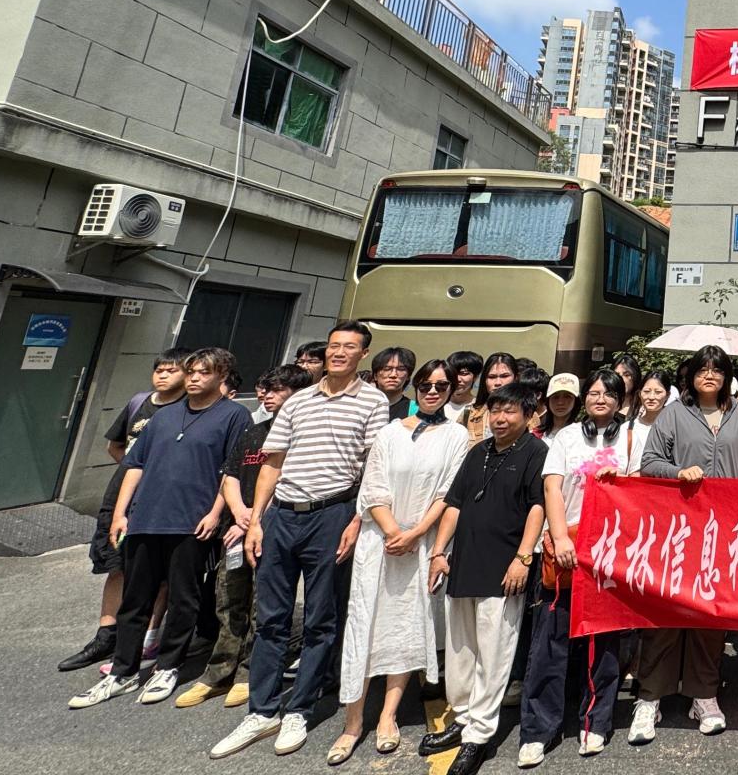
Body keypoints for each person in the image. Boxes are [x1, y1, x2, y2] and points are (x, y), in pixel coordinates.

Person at [209, 321, 390, 760]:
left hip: (333, 513)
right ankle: (262, 710)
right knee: (272, 618)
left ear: (363, 354)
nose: (339, 353)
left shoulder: (373, 401)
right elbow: (272, 463)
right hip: (281, 515)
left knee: (320, 619)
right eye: (333, 346)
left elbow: (373, 466)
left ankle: (300, 709)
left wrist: (357, 519)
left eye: (349, 347)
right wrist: (256, 520)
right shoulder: (300, 400)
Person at [69, 348, 252, 710]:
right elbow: (134, 465)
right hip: (145, 519)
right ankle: (122, 671)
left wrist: (215, 513)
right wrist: (120, 514)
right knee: (135, 598)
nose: (194, 378)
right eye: (191, 371)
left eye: (204, 372)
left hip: (192, 523)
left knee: (184, 598)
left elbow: (230, 471)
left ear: (222, 376)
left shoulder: (234, 415)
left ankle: (168, 666)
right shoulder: (164, 416)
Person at [328, 359, 468, 763]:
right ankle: (353, 721)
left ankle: (388, 715)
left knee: (407, 624)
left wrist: (417, 533)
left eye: (441, 386)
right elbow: (372, 486)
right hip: (380, 540)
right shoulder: (389, 432)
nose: (432, 391)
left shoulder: (456, 435)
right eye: (425, 384)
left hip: (421, 542)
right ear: (415, 387)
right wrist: (393, 531)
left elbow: (448, 492)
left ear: (450, 390)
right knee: (365, 623)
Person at [417, 387, 547, 775]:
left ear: (528, 415)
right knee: (460, 653)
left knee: (493, 655)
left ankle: (479, 734)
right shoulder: (479, 452)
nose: (500, 418)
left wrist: (523, 557)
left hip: (504, 570)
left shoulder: (535, 452)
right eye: (495, 411)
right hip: (463, 564)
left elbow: (537, 507)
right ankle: (462, 717)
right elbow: (455, 503)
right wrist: (439, 552)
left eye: (509, 411)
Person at [629, 345, 738, 744]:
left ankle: (704, 694)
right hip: (679, 529)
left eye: (717, 370)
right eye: (703, 370)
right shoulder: (674, 413)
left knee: (709, 614)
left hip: (723, 530)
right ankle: (649, 697)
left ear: (727, 376)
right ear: (692, 376)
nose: (709, 376)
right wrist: (678, 471)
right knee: (666, 611)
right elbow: (649, 462)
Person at [174, 364, 310, 708]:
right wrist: (238, 513)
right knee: (228, 600)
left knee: (262, 607)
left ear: (297, 394)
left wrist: (255, 520)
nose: (266, 396)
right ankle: (219, 671)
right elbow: (230, 475)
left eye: (276, 390)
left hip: (271, 529)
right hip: (237, 529)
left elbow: (290, 482)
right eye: (265, 389)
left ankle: (250, 672)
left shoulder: (305, 435)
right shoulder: (253, 432)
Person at [521, 369, 628, 765]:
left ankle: (595, 722)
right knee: (551, 640)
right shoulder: (566, 437)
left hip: (611, 549)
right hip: (567, 544)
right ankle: (538, 730)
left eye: (609, 393)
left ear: (620, 400)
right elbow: (552, 487)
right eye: (594, 392)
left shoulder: (631, 436)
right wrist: (559, 536)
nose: (601, 399)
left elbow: (640, 483)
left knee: (603, 643)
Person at [62, 351, 188, 674]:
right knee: (115, 564)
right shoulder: (139, 403)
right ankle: (106, 635)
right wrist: (135, 472)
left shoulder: (188, 409)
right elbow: (116, 446)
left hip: (161, 501)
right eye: (159, 370)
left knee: (158, 572)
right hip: (120, 496)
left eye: (171, 370)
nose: (162, 375)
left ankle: (148, 637)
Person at [620, 369, 674, 474]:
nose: (651, 397)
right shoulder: (627, 428)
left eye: (658, 392)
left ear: (667, 395)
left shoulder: (675, 428)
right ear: (640, 394)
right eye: (646, 391)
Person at [468, 354, 519, 445]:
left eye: (504, 376)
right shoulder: (469, 414)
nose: (498, 383)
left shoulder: (528, 414)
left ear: (516, 378)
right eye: (492, 377)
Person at [371, 347, 416, 421]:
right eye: (387, 369)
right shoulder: (361, 405)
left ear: (408, 376)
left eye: (401, 369)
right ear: (375, 375)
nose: (393, 375)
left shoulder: (416, 410)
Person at [447, 352, 485, 416]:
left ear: (476, 377)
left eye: (464, 374)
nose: (457, 379)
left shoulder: (481, 408)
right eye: (453, 373)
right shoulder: (437, 405)